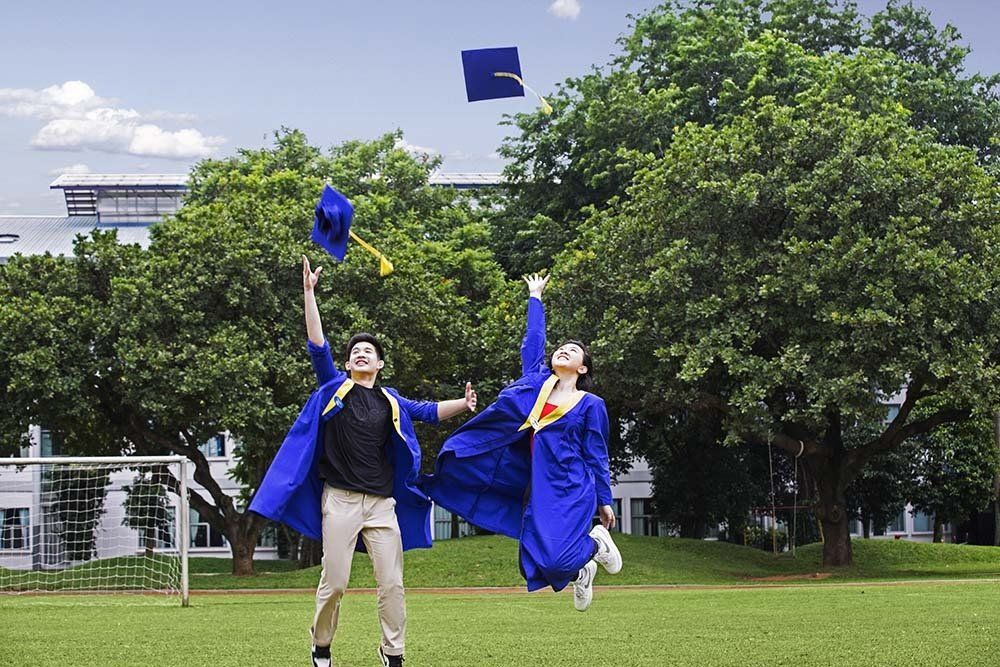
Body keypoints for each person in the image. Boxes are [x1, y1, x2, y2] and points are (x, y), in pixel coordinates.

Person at [250, 256, 477, 667]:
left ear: (379, 364)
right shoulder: (335, 389)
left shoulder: (391, 399)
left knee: (392, 583)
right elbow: (318, 345)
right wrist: (308, 293)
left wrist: (463, 404)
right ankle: (321, 645)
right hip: (339, 501)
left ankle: (393, 653)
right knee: (334, 583)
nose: (360, 354)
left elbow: (426, 410)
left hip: (381, 504)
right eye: (355, 350)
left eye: (368, 351)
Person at [420, 273, 621, 611]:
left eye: (573, 352)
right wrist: (535, 296)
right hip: (541, 487)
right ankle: (583, 568)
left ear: (582, 368)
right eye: (561, 348)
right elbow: (533, 341)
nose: (563, 351)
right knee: (540, 556)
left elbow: (597, 454)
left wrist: (605, 500)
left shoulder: (590, 405)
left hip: (574, 486)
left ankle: (594, 546)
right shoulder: (536, 385)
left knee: (556, 560)